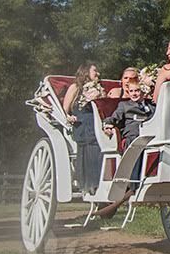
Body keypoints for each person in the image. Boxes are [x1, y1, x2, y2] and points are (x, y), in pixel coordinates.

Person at [98, 84, 156, 219]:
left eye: (137, 91)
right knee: (136, 142)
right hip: (133, 135)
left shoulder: (151, 106)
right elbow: (114, 117)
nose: (134, 94)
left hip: (150, 134)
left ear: (143, 92)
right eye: (131, 91)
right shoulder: (124, 106)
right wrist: (107, 124)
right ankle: (133, 183)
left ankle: (145, 177)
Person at [62, 62, 104, 194]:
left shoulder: (100, 89)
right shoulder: (75, 87)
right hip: (82, 123)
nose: (97, 74)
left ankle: (101, 182)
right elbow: (65, 109)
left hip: (97, 122)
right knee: (92, 141)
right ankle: (92, 184)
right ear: (86, 72)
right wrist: (69, 117)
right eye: (94, 71)